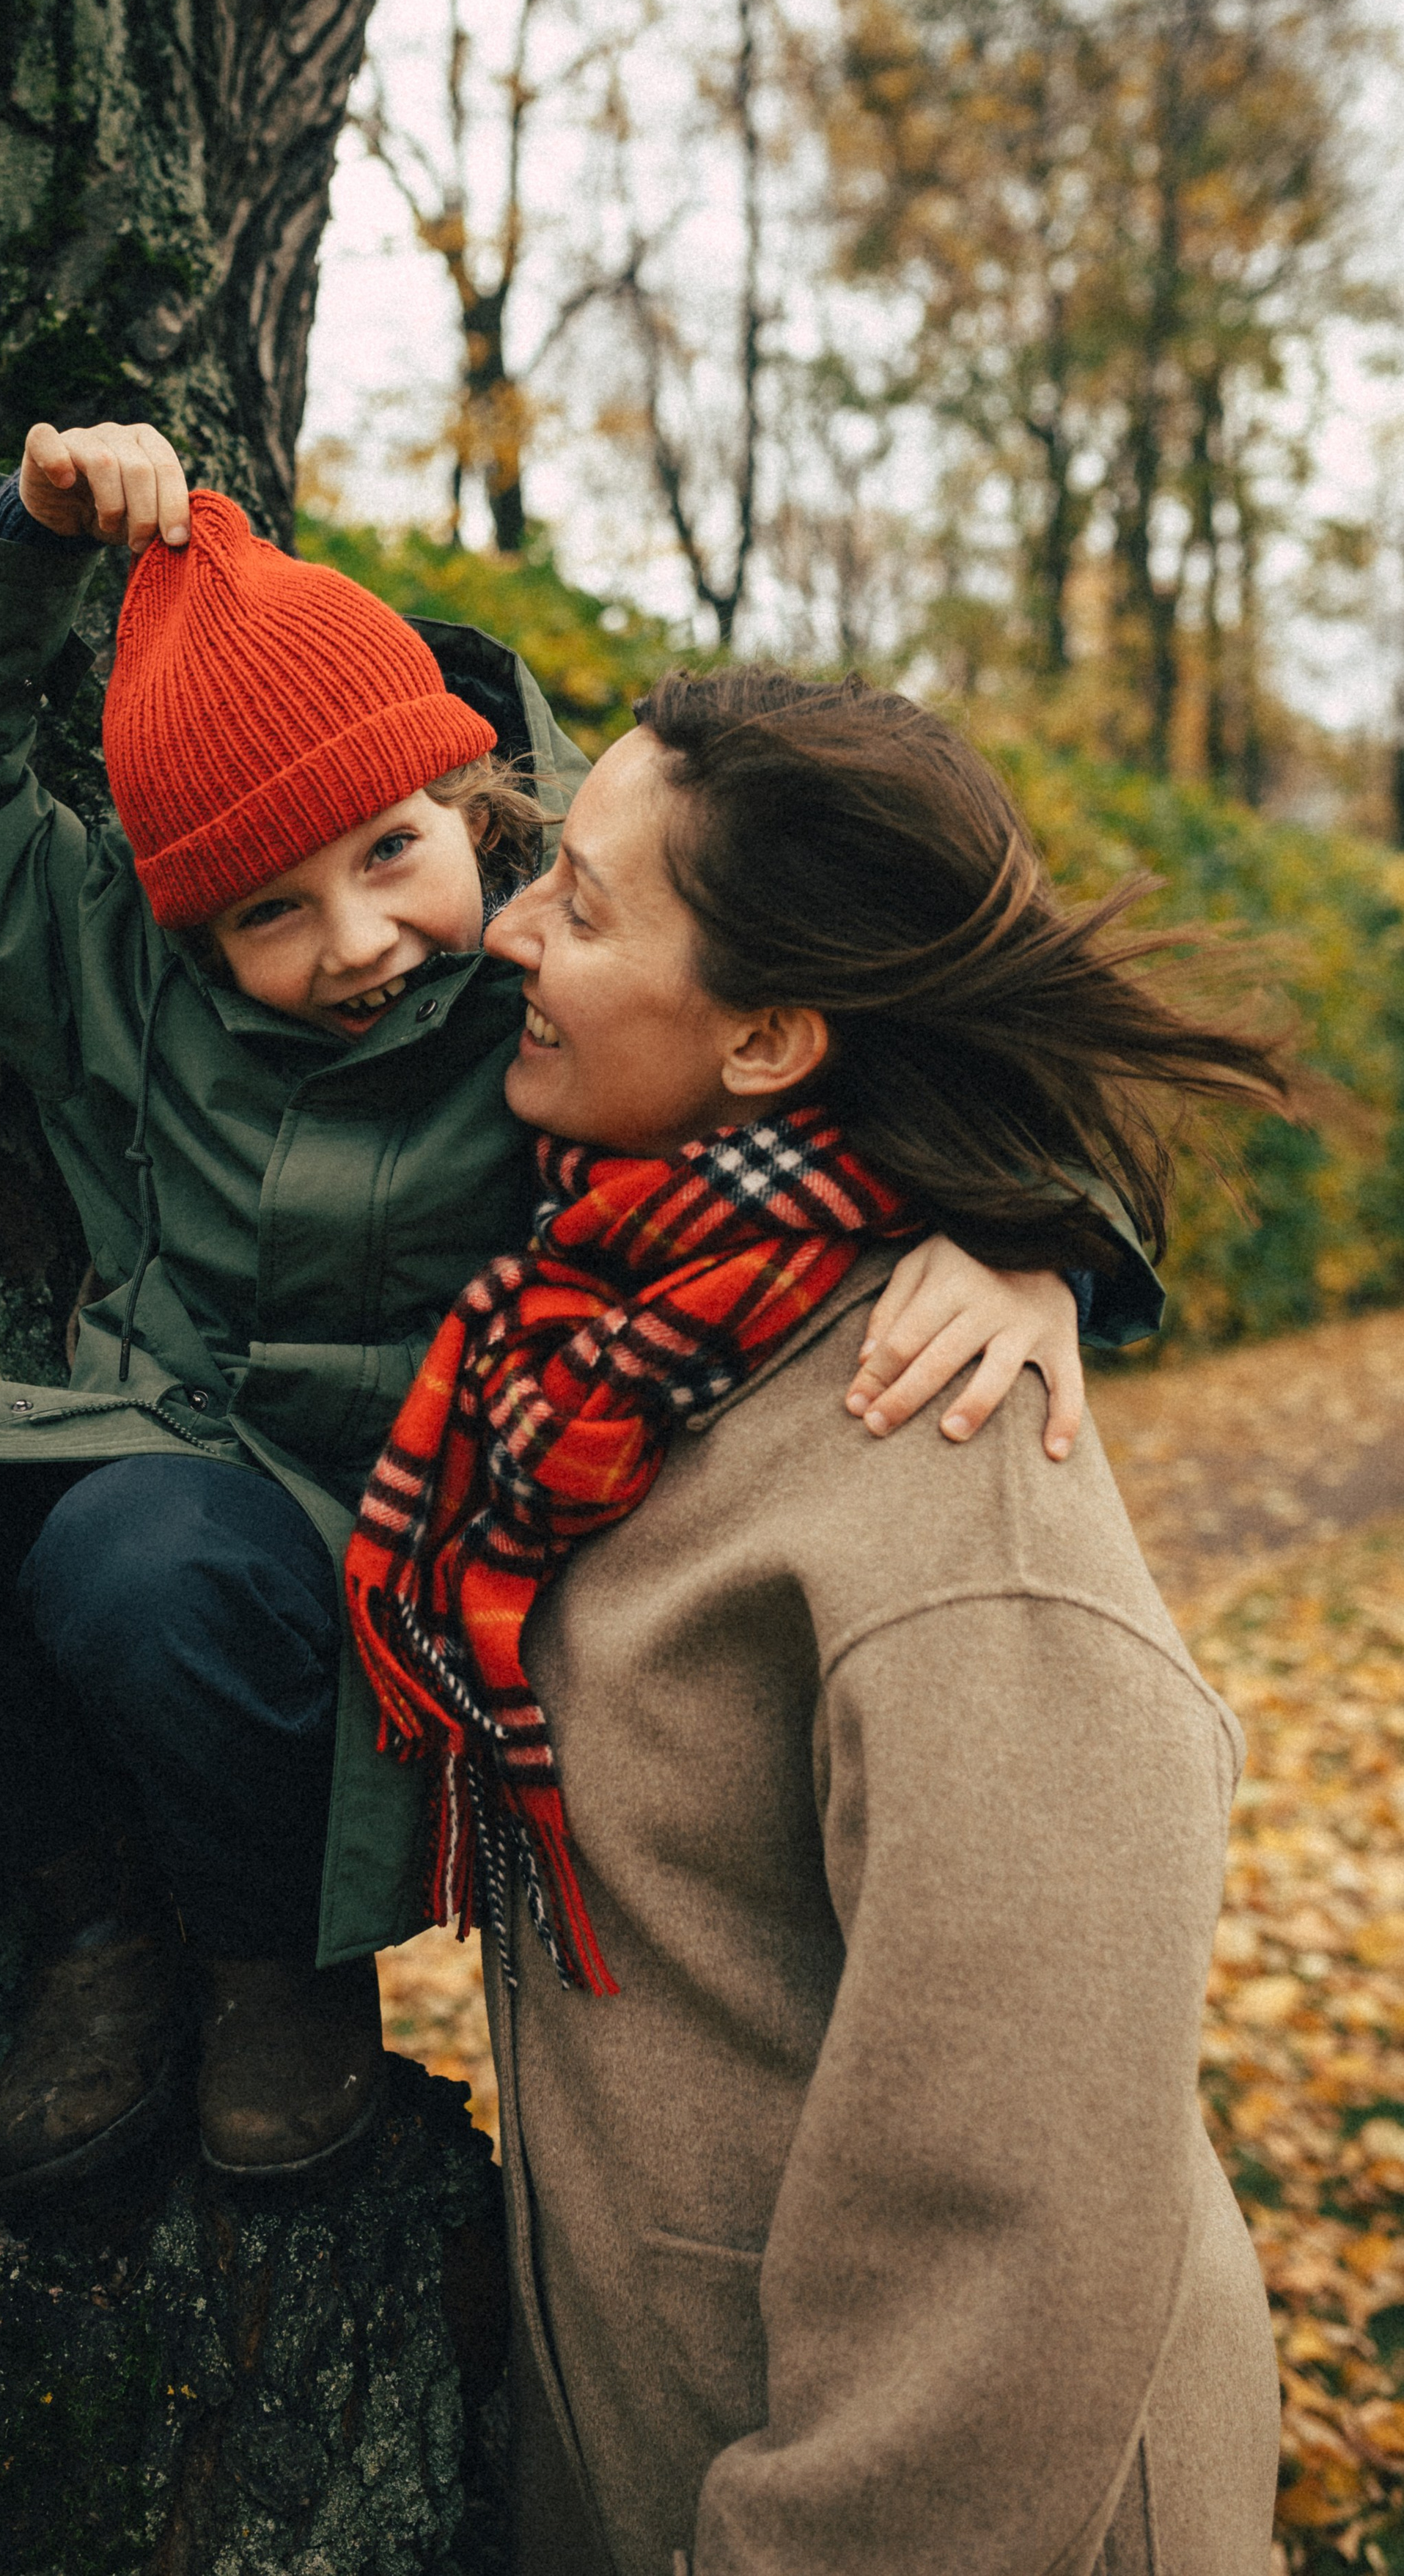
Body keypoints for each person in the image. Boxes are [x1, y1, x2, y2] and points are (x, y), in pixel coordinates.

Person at [0, 424, 1158, 2203]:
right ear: (185, 920)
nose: (357, 941)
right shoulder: (116, 978)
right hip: (163, 1441)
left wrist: (1040, 1248)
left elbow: (873, 1061)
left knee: (135, 1558)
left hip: (381, 1550)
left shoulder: (569, 992)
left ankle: (276, 1969)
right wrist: (17, 542)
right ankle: (90, 1913)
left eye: (390, 853)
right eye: (268, 911)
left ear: (465, 802)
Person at [348, 667, 1284, 2576]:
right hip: (677, 2453)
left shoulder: (948, 1468)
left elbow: (1015, 2220)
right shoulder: (619, 1333)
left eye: (583, 904)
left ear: (769, 1037)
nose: (503, 923)